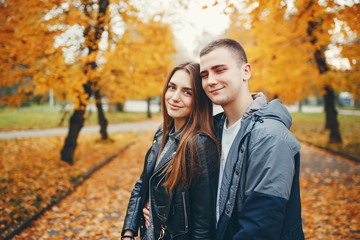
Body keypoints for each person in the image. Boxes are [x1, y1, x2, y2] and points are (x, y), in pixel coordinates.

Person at [199, 38, 305, 239]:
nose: (210, 80)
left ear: (245, 71)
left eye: (219, 70)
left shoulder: (270, 137)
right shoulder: (212, 130)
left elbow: (260, 229)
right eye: (204, 74)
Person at [121, 62, 219, 240]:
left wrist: (158, 212)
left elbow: (203, 224)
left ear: (199, 100)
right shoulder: (163, 132)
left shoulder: (199, 144)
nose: (174, 97)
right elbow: (142, 184)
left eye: (187, 92)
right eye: (172, 87)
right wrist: (128, 233)